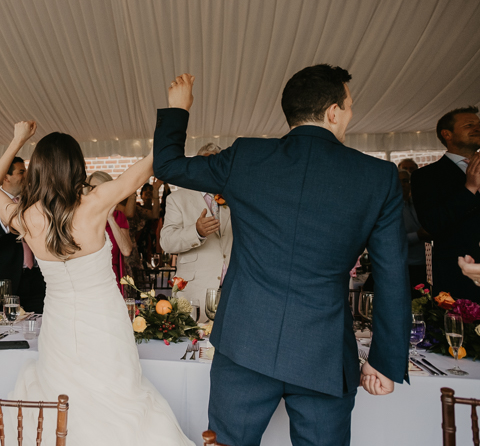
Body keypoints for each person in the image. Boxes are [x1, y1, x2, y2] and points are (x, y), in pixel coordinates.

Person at [153, 68, 409, 446]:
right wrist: (384, 359)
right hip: (323, 352)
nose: (350, 116)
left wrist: (178, 108)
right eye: (350, 107)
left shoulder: (247, 157)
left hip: (243, 345)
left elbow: (168, 165)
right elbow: (391, 275)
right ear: (334, 112)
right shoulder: (378, 176)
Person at [0, 121, 193, 446]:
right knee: (117, 395)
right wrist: (177, 113)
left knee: (63, 398)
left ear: (37, 170)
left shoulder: (26, 217)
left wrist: (16, 140)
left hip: (58, 323)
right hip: (104, 319)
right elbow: (146, 167)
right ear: (76, 166)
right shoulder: (95, 203)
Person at [411, 106, 480, 302]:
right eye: (469, 125)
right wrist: (470, 188)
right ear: (447, 134)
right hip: (459, 278)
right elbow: (433, 223)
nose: (478, 128)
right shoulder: (427, 176)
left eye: (479, 124)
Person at [159, 143, 232, 311]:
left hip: (231, 291)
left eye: (216, 163)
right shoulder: (177, 198)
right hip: (195, 291)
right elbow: (167, 242)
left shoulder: (233, 198)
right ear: (197, 166)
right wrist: (196, 232)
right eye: (206, 163)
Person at [0, 157, 46, 313]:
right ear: (6, 177)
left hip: (35, 279)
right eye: (21, 172)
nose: (26, 175)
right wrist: (4, 223)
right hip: (4, 282)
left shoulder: (33, 204)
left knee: (38, 328)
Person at [86, 171, 132, 296]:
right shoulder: (82, 218)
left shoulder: (118, 217)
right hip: (87, 280)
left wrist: (110, 218)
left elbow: (126, 250)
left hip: (111, 281)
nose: (96, 192)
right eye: (93, 188)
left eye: (102, 188)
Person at [398, 169, 430, 292]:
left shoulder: (419, 204)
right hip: (406, 264)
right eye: (398, 181)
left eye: (405, 181)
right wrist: (418, 235)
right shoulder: (391, 209)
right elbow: (393, 239)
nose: (402, 184)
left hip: (425, 263)